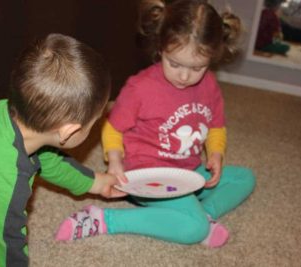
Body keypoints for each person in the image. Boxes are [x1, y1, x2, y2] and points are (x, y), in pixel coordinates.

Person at [55, 0, 256, 248]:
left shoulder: (210, 85)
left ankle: (203, 213)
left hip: (189, 172)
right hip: (148, 176)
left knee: (244, 179)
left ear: (212, 57)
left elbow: (216, 125)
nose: (184, 76)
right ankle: (104, 219)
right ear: (161, 48)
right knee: (194, 230)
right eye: (175, 63)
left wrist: (215, 153)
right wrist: (115, 161)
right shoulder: (140, 87)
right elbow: (113, 128)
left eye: (197, 67)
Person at [0, 33, 126, 266]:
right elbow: (6, 242)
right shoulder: (4, 176)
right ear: (68, 132)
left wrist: (96, 182)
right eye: (95, 121)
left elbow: (49, 160)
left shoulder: (8, 119)